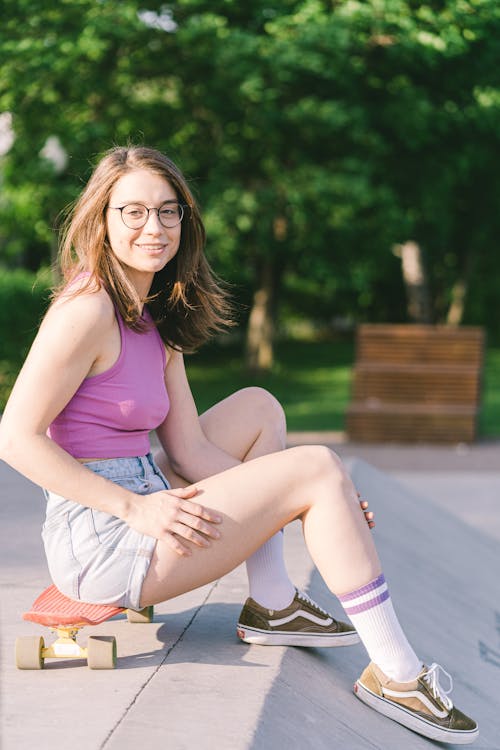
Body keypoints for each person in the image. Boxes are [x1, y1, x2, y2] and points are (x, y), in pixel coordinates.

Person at [0, 145, 478, 744]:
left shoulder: (152, 314)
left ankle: (273, 601)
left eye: (169, 211)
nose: (155, 227)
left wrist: (310, 506)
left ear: (185, 221)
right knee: (317, 467)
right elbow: (15, 438)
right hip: (101, 538)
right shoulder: (86, 310)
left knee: (259, 408)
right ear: (101, 220)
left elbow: (190, 452)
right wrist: (136, 507)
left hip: (151, 491)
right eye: (134, 212)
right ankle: (400, 676)